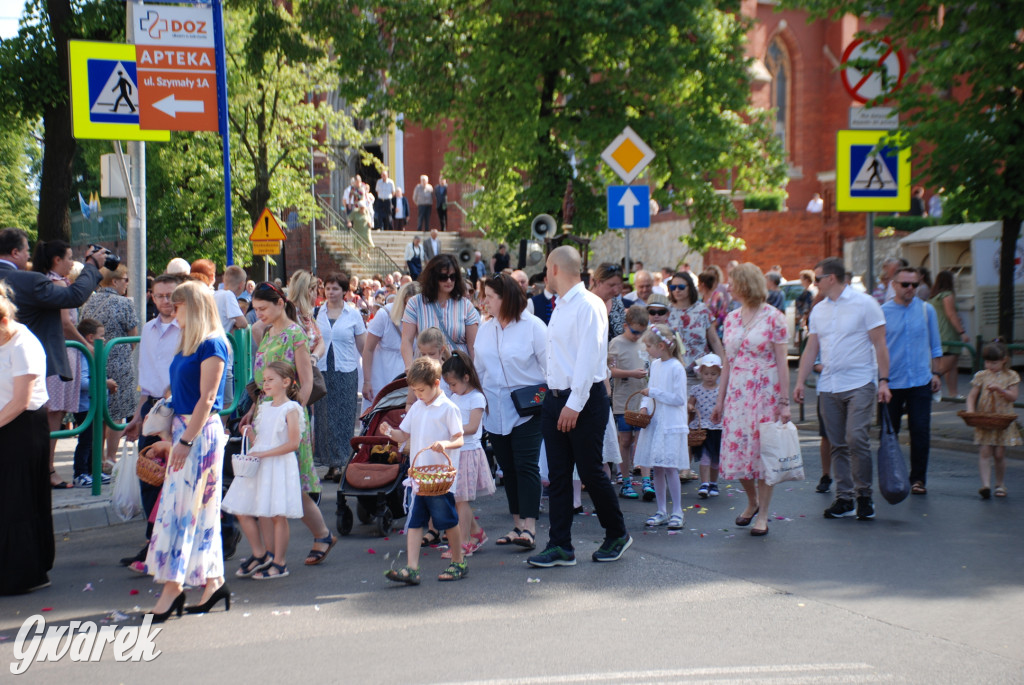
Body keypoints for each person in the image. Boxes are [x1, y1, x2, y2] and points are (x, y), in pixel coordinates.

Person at [528, 246, 631, 568]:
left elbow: (589, 359)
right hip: (556, 398)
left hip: (582, 401)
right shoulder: (561, 306)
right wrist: (554, 398)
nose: (545, 275)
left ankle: (617, 533)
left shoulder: (588, 305)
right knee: (559, 475)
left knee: (589, 471)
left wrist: (573, 404)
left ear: (555, 269)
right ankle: (560, 545)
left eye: (547, 268)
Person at [144, 280, 229, 621]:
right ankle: (213, 581)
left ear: (191, 308)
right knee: (195, 510)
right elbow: (179, 393)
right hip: (186, 429)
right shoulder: (188, 343)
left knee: (182, 511)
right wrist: (171, 434)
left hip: (200, 434)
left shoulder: (213, 344)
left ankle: (172, 588)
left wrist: (184, 440)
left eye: (176, 306)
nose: (170, 310)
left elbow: (207, 399)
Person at [245, 282, 337, 567]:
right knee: (272, 481)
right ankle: (270, 552)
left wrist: (293, 413)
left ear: (279, 303)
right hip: (266, 413)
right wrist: (254, 408)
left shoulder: (294, 334)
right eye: (255, 309)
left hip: (288, 417)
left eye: (262, 308)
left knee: (291, 481)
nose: (258, 314)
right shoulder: (266, 332)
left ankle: (320, 535)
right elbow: (266, 380)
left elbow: (306, 380)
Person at [795, 257, 891, 522]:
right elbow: (811, 347)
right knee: (837, 443)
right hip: (829, 385)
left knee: (856, 437)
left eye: (817, 279)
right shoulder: (819, 310)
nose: (815, 284)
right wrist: (800, 381)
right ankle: (845, 497)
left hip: (860, 381)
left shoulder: (865, 304)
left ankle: (864, 496)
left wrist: (884, 380)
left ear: (832, 278)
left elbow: (880, 344)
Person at [709, 264, 791, 537]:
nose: (728, 287)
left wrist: (784, 401)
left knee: (763, 454)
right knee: (738, 453)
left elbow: (782, 362)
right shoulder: (731, 319)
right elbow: (727, 363)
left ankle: (764, 514)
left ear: (746, 284)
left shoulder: (774, 318)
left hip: (766, 392)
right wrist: (719, 401)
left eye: (732, 283)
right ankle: (752, 501)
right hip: (737, 394)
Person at [473, 273, 547, 550]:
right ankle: (517, 525)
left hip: (528, 408)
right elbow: (479, 368)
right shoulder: (486, 328)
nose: (485, 302)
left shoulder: (533, 327)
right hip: (495, 409)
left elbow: (550, 369)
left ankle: (530, 528)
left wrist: (548, 399)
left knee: (527, 466)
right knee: (508, 469)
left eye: (490, 297)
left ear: (506, 298)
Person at [381, 356, 467, 584]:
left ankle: (458, 561)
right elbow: (403, 434)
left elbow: (459, 439)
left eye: (421, 390)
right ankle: (412, 568)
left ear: (436, 384)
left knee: (448, 521)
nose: (418, 395)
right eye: (415, 390)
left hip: (439, 477)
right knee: (415, 523)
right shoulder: (417, 407)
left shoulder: (448, 408)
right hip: (419, 477)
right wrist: (389, 432)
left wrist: (445, 444)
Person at [120, 273, 185, 570]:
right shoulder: (148, 329)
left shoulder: (186, 329)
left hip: (178, 409)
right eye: (159, 295)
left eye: (170, 295)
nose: (165, 301)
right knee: (150, 476)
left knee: (177, 479)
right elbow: (145, 377)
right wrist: (138, 415)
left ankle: (223, 526)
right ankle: (153, 541)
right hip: (152, 408)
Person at [223, 361, 305, 580]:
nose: (265, 384)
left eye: (270, 380)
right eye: (264, 380)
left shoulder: (291, 409)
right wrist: (250, 435)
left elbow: (293, 443)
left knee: (277, 514)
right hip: (261, 463)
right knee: (244, 508)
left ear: (285, 382)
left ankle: (280, 561)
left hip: (278, 465)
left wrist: (263, 454)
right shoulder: (265, 407)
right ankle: (261, 553)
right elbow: (262, 439)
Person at [0, 283, 54, 595]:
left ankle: (25, 572)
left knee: (17, 502)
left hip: (23, 428)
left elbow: (21, 399)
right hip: (6, 422)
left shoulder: (23, 343)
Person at [0, 229, 105, 381]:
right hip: (24, 368)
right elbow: (74, 296)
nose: (29, 256)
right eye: (26, 250)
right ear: (15, 252)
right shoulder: (30, 281)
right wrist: (92, 265)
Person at [882, 267, 943, 495]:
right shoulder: (883, 312)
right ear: (894, 285)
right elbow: (877, 349)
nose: (910, 289)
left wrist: (936, 373)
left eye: (914, 285)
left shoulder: (927, 311)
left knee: (920, 431)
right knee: (890, 433)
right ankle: (892, 475)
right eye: (905, 284)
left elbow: (936, 345)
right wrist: (881, 380)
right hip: (892, 382)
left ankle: (918, 479)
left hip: (920, 380)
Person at [33, 240, 89, 488]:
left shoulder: (46, 281)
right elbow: (66, 323)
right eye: (68, 256)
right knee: (53, 413)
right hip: (60, 355)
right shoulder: (55, 283)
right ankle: (47, 470)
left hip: (57, 353)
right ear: (56, 260)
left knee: (53, 413)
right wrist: (85, 344)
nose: (71, 261)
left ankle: (44, 469)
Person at [81, 263, 138, 475]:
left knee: (98, 410)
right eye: (125, 279)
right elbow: (133, 334)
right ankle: (111, 459)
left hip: (93, 358)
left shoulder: (88, 299)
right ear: (114, 281)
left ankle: (96, 458)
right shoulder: (123, 303)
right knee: (117, 412)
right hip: (119, 358)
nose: (127, 284)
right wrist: (122, 351)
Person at [633, 324, 689, 530]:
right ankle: (662, 510)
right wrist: (644, 408)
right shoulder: (655, 365)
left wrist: (654, 393)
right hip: (656, 422)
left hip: (671, 423)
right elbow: (649, 393)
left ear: (661, 346)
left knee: (670, 468)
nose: (647, 349)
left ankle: (678, 511)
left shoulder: (676, 367)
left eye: (649, 345)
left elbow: (679, 399)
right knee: (657, 467)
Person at [440, 352, 494, 559]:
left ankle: (461, 543)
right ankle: (476, 533)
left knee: (461, 500)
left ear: (466, 378)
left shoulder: (476, 397)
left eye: (453, 384)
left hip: (468, 452)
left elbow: (472, 427)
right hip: (455, 453)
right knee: (457, 499)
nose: (451, 388)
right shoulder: (455, 396)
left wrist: (450, 431)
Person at [314, 272, 367, 482]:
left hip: (345, 370)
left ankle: (344, 461)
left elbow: (363, 347)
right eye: (328, 288)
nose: (331, 292)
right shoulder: (317, 313)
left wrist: (369, 377)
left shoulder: (352, 314)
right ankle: (330, 464)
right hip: (323, 369)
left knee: (344, 418)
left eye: (335, 288)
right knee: (325, 418)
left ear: (345, 291)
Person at [401, 254, 479, 366]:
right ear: (433, 277)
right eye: (443, 277)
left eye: (452, 277)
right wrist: (409, 368)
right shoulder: (415, 303)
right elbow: (407, 341)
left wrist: (475, 376)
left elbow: (473, 347)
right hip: (426, 370)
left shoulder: (466, 306)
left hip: (458, 371)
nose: (449, 281)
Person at [966, 341, 1020, 500]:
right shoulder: (982, 375)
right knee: (984, 451)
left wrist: (1000, 389)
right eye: (987, 362)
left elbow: (1013, 397)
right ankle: (985, 485)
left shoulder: (1011, 376)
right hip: (985, 419)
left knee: (999, 453)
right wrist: (970, 411)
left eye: (994, 362)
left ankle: (1000, 483)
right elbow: (972, 395)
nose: (990, 365)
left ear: (1004, 360)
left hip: (1002, 421)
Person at [608, 304, 650, 500]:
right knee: (625, 440)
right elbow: (610, 371)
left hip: (642, 397)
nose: (637, 336)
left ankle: (646, 480)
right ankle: (625, 479)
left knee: (643, 439)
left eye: (641, 332)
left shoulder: (645, 342)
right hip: (624, 398)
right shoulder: (616, 343)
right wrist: (631, 373)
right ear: (625, 325)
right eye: (634, 332)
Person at [72, 318, 116, 487]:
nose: (104, 339)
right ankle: (80, 473)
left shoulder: (93, 354)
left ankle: (92, 471)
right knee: (86, 441)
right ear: (90, 338)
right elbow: (83, 381)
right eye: (101, 336)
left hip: (95, 404)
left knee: (94, 440)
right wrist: (105, 383)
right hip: (86, 406)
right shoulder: (84, 356)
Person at [363, 282, 421, 409]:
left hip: (409, 377)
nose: (411, 308)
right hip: (382, 374)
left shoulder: (423, 319)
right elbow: (368, 349)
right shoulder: (385, 315)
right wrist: (367, 381)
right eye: (407, 303)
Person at [666, 270, 725, 374]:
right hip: (675, 369)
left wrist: (723, 366)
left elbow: (714, 340)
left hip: (702, 370)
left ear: (690, 287)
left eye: (681, 287)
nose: (676, 290)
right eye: (673, 287)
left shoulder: (702, 309)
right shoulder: (667, 312)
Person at [929, 270, 970, 397]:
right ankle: (926, 387)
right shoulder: (947, 295)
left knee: (952, 366)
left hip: (938, 331)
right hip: (948, 333)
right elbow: (951, 314)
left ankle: (953, 393)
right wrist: (962, 332)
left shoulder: (934, 296)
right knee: (946, 365)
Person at [690, 353, 724, 499]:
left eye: (713, 374)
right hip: (702, 426)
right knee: (704, 457)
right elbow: (690, 402)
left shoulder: (721, 390)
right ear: (701, 373)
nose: (709, 376)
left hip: (717, 427)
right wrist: (690, 406)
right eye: (706, 373)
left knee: (715, 459)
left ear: (719, 373)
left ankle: (713, 482)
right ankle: (704, 483)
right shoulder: (696, 389)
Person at [590, 263, 626, 340]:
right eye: (611, 285)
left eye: (618, 285)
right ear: (598, 282)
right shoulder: (585, 304)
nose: (616, 290)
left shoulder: (618, 304)